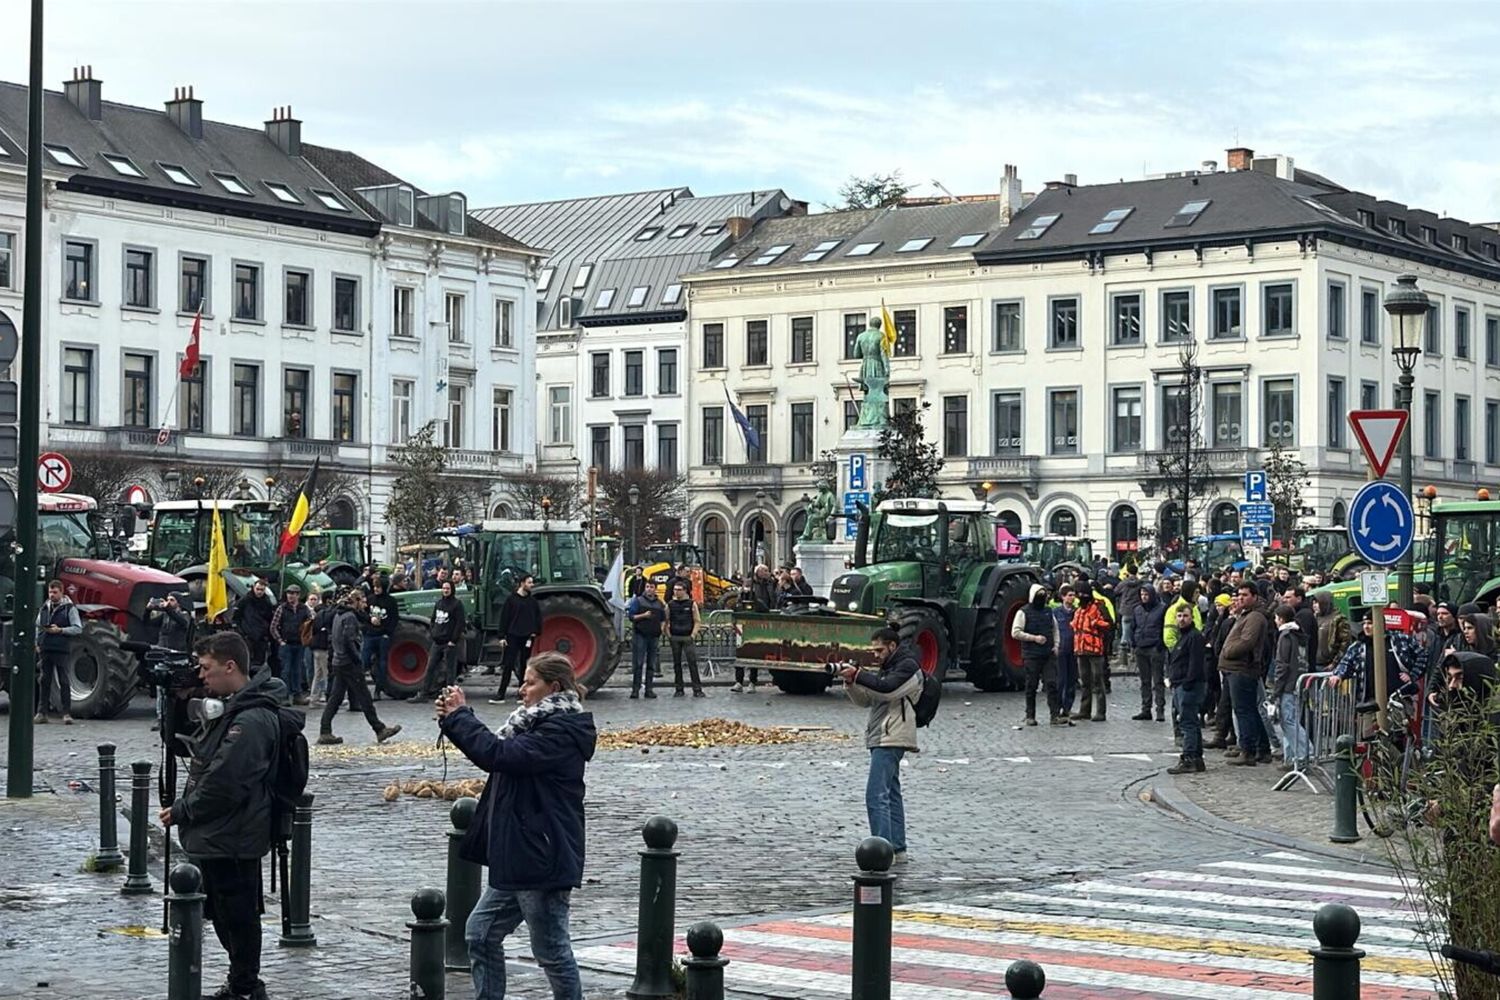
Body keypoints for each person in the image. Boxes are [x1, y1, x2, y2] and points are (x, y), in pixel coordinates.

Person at [436, 652, 596, 1000]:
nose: (522, 689)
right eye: (523, 681)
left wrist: (461, 717)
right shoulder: (530, 723)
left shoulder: (560, 731)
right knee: (480, 933)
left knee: (552, 951)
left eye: (530, 682)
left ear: (553, 688)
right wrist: (456, 720)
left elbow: (500, 756)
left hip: (541, 855)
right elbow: (497, 753)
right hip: (520, 853)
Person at [159, 632, 278, 1000]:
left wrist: (183, 811)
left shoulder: (252, 718)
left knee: (237, 916)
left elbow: (224, 780)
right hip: (224, 833)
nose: (201, 675)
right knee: (226, 914)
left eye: (207, 668)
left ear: (231, 667)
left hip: (234, 834)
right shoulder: (232, 706)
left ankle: (245, 987)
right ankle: (243, 983)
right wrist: (177, 704)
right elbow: (191, 746)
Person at [838, 628, 920, 861]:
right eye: (873, 650)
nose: (875, 654)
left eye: (879, 650)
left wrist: (859, 674)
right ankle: (897, 847)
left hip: (892, 735)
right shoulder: (889, 667)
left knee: (876, 794)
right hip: (882, 735)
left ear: (892, 646)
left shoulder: (907, 666)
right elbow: (867, 700)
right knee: (891, 792)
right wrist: (851, 683)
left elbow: (887, 691)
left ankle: (881, 850)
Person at [318, 589, 401, 746]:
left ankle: (325, 731)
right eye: (362, 602)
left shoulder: (339, 614)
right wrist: (358, 659)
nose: (365, 605)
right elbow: (349, 641)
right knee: (364, 697)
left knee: (335, 698)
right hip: (348, 663)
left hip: (339, 661)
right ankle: (379, 729)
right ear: (356, 601)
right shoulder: (349, 617)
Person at [1220, 584, 1272, 766]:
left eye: (1244, 595)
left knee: (1244, 711)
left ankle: (1248, 750)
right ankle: (1261, 748)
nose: (1240, 598)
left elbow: (1247, 642)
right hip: (1237, 669)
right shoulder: (1246, 615)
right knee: (1249, 710)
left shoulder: (1255, 617)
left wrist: (1228, 651)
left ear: (1255, 597)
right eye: (1239, 594)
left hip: (1242, 669)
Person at [1166, 604, 1208, 774]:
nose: (1181, 619)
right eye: (1179, 616)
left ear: (1192, 618)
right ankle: (1196, 758)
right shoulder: (1182, 637)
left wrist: (1188, 682)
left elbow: (1195, 662)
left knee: (1187, 722)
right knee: (1190, 721)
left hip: (1188, 685)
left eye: (1185, 616)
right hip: (1180, 684)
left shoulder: (1194, 637)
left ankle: (1190, 757)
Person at [33, 579, 82, 724]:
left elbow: (77, 628)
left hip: (61, 648)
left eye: (55, 592)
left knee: (64, 681)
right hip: (45, 648)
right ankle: (42, 712)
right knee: (44, 680)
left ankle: (66, 713)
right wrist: (36, 642)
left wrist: (60, 630)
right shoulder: (44, 608)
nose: (52, 595)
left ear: (62, 592)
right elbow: (37, 626)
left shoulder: (69, 608)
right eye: (50, 592)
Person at [1010, 583, 1058, 725]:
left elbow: (1055, 630)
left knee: (1051, 683)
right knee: (1031, 685)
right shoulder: (1023, 612)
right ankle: (1030, 715)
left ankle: (1054, 715)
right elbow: (1015, 632)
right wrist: (1034, 638)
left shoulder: (1049, 611)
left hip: (1048, 653)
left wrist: (1056, 645)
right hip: (1031, 654)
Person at [1270, 603, 1310, 769]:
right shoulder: (1298, 635)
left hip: (1288, 684)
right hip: (1299, 681)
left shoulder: (1285, 636)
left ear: (1280, 619)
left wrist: (1276, 690)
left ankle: (1304, 754)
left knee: (1288, 722)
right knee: (1291, 720)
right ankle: (1291, 757)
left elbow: (1282, 665)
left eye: (1276, 618)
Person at [490, 574, 541, 704]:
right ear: (522, 583)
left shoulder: (532, 601)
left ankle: (522, 694)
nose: (532, 585)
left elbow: (537, 617)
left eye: (532, 582)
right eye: (529, 582)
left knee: (524, 666)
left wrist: (535, 631)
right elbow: (504, 618)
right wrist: (501, 636)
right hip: (512, 636)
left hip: (527, 637)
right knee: (508, 665)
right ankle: (501, 694)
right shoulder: (511, 600)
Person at [1071, 588, 1111, 722]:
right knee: (1085, 682)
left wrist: (1097, 623)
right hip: (1081, 649)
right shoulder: (1078, 610)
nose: (1081, 597)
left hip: (1095, 650)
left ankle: (1101, 712)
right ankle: (1084, 710)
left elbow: (1108, 624)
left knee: (1098, 682)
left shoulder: (1098, 608)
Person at [424, 580, 467, 700]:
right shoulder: (438, 603)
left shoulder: (457, 604)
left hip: (450, 643)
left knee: (450, 671)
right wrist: (433, 634)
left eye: (448, 588)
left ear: (452, 589)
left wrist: (453, 641)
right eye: (443, 588)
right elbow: (433, 620)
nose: (445, 590)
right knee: (430, 667)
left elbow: (460, 623)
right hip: (437, 642)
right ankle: (424, 693)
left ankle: (449, 696)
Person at [269, 585, 312, 705]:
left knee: (297, 671)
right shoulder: (281, 608)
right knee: (285, 671)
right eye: (289, 593)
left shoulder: (304, 609)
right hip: (286, 644)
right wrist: (280, 641)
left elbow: (310, 624)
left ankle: (297, 695)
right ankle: (284, 696)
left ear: (298, 595)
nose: (290, 596)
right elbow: (273, 627)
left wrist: (306, 638)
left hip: (299, 644)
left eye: (293, 593)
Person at [1132, 584, 1167, 722]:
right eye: (1142, 594)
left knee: (1158, 680)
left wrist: (1160, 643)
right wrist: (1133, 642)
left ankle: (1160, 710)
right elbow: (1134, 627)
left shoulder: (1162, 608)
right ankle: (1146, 709)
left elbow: (1165, 626)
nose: (1144, 597)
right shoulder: (1137, 610)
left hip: (1155, 647)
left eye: (1146, 594)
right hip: (1141, 647)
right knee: (1144, 681)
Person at [666, 580, 706, 697]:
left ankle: (697, 689)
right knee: (676, 664)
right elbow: (666, 621)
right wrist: (669, 635)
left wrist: (693, 635)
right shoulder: (670, 605)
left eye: (679, 590)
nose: (676, 592)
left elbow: (697, 621)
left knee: (692, 663)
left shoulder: (691, 604)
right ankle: (679, 689)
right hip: (675, 636)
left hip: (687, 636)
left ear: (684, 591)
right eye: (675, 590)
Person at [362, 574, 399, 700]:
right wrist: (369, 621)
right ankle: (360, 689)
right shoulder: (370, 599)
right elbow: (363, 614)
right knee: (364, 661)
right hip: (370, 635)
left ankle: (378, 690)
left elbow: (394, 619)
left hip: (383, 636)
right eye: (375, 587)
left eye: (378, 587)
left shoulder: (390, 601)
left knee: (382, 664)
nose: (376, 589)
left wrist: (387, 633)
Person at [625, 582, 665, 699]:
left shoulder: (659, 603)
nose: (649, 589)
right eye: (647, 587)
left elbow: (663, 618)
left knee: (651, 664)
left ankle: (649, 689)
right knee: (638, 663)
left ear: (655, 589)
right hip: (640, 635)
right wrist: (643, 615)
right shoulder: (638, 601)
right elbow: (631, 617)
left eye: (651, 587)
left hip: (654, 636)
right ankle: (635, 690)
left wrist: (661, 629)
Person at [229, 579, 275, 675]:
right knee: (247, 662)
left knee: (260, 664)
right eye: (258, 589)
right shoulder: (245, 600)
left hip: (261, 638)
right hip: (248, 637)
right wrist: (241, 633)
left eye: (262, 590)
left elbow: (270, 619)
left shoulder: (266, 602)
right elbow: (235, 618)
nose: (259, 592)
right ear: (253, 588)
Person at [308, 591, 336, 706]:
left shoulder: (317, 612)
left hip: (315, 646)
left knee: (317, 673)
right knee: (327, 673)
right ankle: (329, 697)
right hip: (324, 646)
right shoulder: (328, 612)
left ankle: (313, 699)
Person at [1313, 592, 1351, 670]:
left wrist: (1335, 663)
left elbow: (1345, 643)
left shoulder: (1338, 619)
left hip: (1329, 665)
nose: (1314, 605)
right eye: (1313, 603)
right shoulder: (1314, 618)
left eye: (1317, 602)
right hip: (1315, 662)